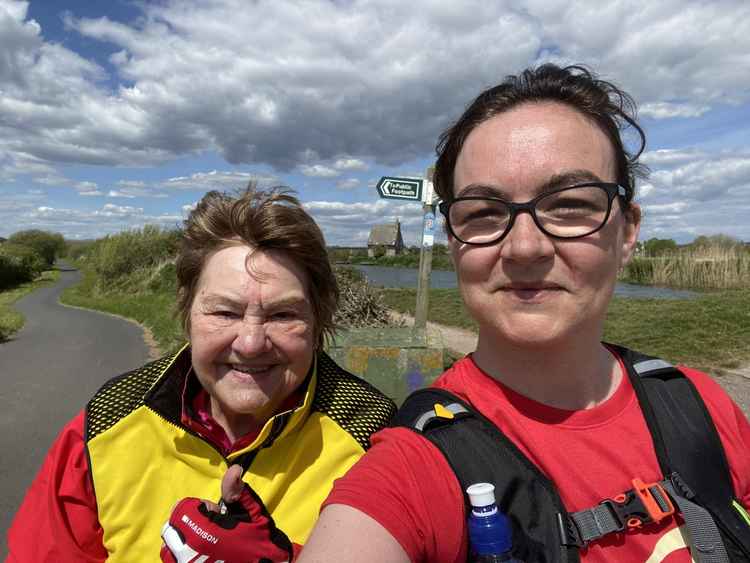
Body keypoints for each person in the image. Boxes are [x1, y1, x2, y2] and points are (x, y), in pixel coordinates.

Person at [297, 64, 750, 562]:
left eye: (570, 205)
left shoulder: (699, 405)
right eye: (483, 213)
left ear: (626, 233)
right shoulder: (417, 462)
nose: (525, 246)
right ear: (454, 242)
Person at [7, 187, 396, 562]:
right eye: (225, 312)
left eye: (283, 315)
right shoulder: (108, 420)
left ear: (318, 321)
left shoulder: (377, 442)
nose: (250, 343)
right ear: (187, 312)